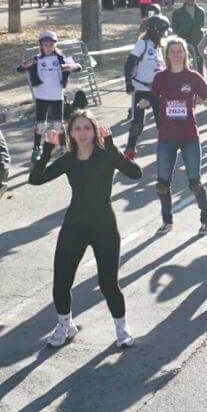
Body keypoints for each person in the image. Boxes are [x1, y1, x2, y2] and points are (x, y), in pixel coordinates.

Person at [30, 109, 144, 347]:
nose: (82, 133)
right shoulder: (69, 160)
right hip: (74, 225)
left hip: (103, 225)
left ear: (94, 131)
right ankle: (65, 325)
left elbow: (135, 173)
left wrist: (112, 147)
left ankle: (122, 330)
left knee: (108, 283)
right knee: (61, 280)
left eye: (87, 128)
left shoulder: (106, 155)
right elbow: (36, 179)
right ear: (70, 133)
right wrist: (48, 150)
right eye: (77, 128)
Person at [148, 37, 207, 232]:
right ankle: (167, 220)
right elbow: (152, 97)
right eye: (173, 51)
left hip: (189, 135)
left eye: (180, 51)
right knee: (162, 183)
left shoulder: (193, 76)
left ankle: (205, 216)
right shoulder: (160, 77)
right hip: (166, 136)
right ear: (167, 55)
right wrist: (144, 103)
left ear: (185, 54)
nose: (176, 55)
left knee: (194, 182)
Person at [16, 30, 79, 160]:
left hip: (56, 96)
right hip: (41, 96)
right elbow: (20, 69)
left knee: (58, 124)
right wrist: (26, 65)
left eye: (51, 44)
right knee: (40, 125)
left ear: (55, 45)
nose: (48, 47)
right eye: (45, 44)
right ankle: (36, 149)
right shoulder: (37, 59)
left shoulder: (61, 58)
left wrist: (69, 67)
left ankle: (63, 147)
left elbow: (78, 66)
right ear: (41, 45)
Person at [123, 15, 169, 157]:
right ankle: (130, 148)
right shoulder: (143, 44)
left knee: (161, 121)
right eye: (162, 30)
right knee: (138, 122)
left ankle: (166, 147)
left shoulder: (158, 47)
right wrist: (128, 82)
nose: (164, 34)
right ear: (155, 30)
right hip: (141, 89)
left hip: (157, 90)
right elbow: (129, 63)